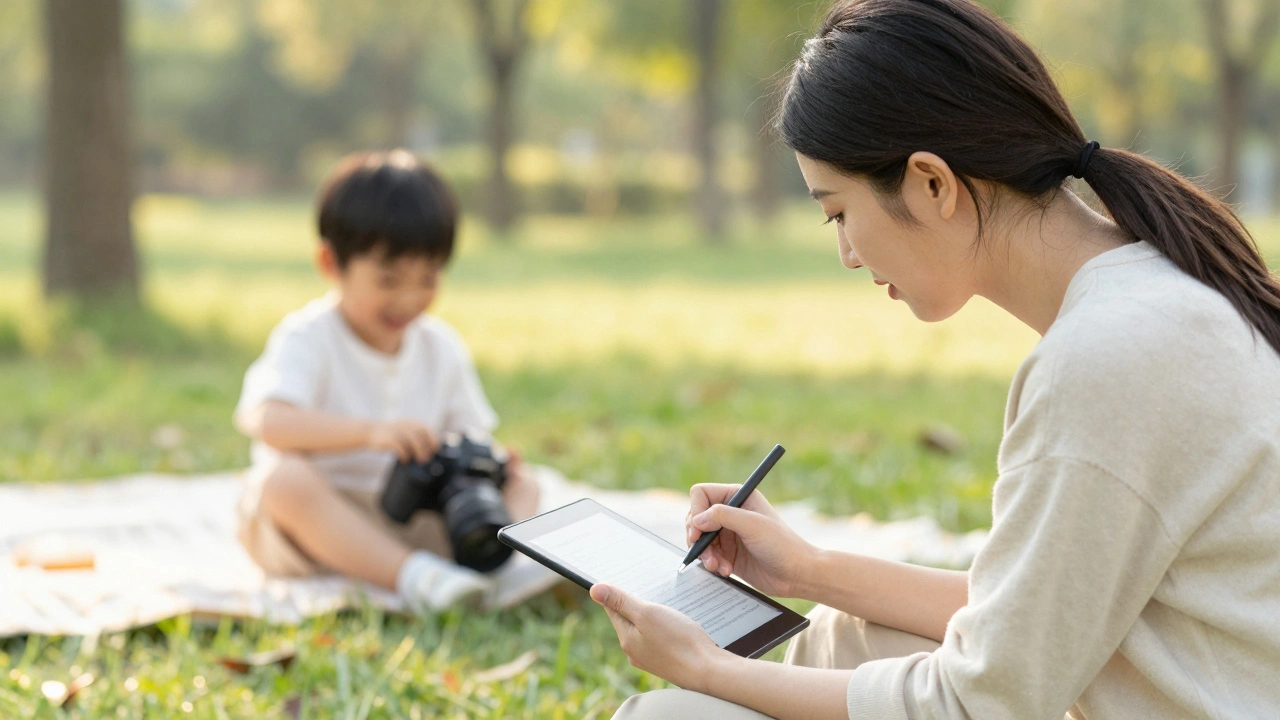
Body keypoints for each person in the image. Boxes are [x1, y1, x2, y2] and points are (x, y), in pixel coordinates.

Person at [594, 0, 1280, 718]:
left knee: (665, 717)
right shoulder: (1157, 295)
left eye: (837, 212)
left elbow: (979, 702)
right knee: (846, 636)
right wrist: (809, 569)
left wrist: (708, 670)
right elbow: (1034, 615)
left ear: (932, 182)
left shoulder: (1106, 362)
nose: (847, 253)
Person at [233, 150, 540, 613]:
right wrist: (371, 433)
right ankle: (418, 578)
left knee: (527, 486)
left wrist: (488, 464)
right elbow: (266, 420)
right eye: (389, 279)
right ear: (331, 264)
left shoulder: (441, 347)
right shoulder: (309, 338)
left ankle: (479, 566)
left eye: (428, 278)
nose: (409, 298)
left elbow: (469, 431)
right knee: (282, 480)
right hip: (322, 519)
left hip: (412, 517)